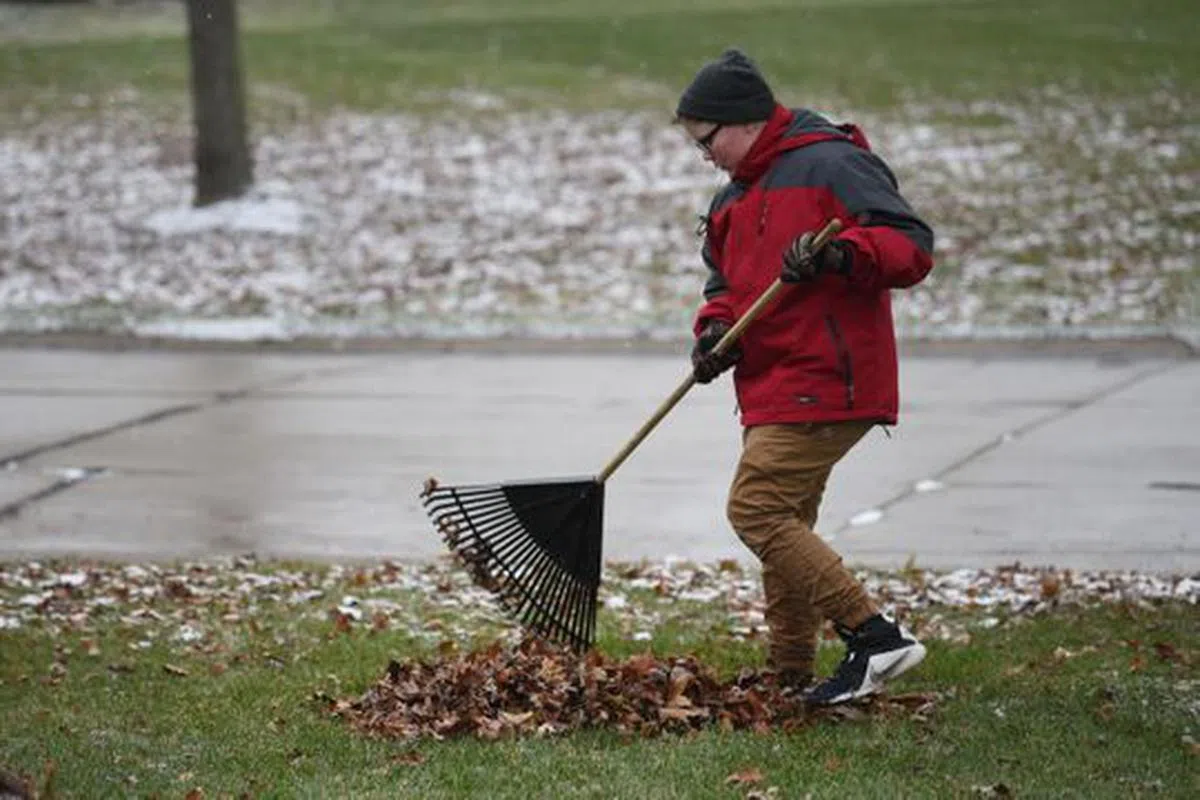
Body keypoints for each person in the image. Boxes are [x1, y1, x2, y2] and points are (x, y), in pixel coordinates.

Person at [675, 48, 935, 705]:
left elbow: (910, 246)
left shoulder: (832, 162)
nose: (704, 154)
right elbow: (725, 286)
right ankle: (790, 671)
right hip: (769, 383)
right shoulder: (732, 198)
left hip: (832, 375)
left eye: (707, 140)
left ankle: (876, 637)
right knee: (784, 518)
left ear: (744, 122)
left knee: (755, 508)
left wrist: (840, 256)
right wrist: (714, 335)